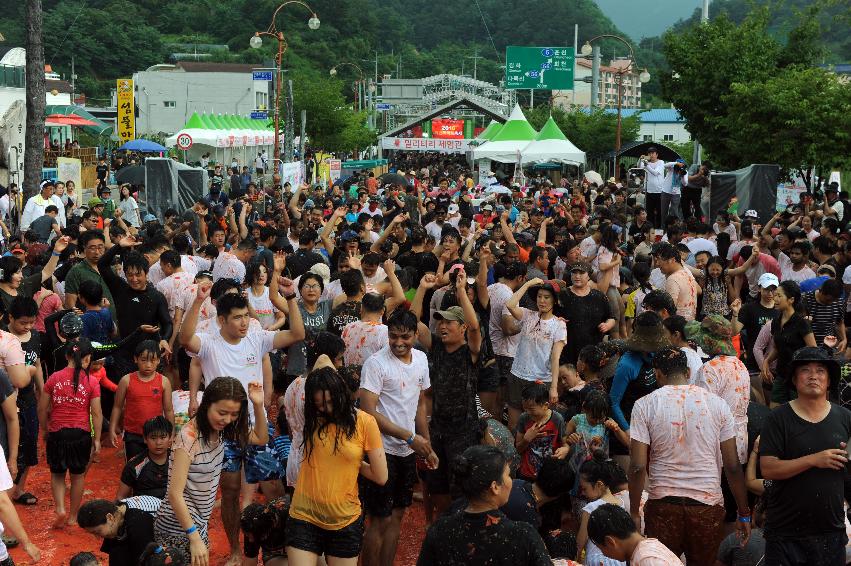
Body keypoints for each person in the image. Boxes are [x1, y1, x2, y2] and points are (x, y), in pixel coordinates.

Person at [180, 279, 303, 566]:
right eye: (237, 317)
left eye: (246, 315)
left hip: (257, 425)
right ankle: (236, 549)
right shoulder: (209, 344)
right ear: (222, 319)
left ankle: (277, 546)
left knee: (273, 488)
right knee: (232, 491)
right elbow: (185, 339)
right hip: (223, 430)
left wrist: (291, 297)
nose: (244, 322)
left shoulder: (257, 338)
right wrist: (198, 301)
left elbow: (297, 333)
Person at [628, 347, 751, 564]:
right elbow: (732, 467)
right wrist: (743, 512)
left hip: (663, 506)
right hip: (706, 509)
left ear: (657, 374)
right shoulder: (718, 405)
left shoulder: (644, 405)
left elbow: (637, 466)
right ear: (687, 371)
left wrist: (634, 511)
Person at [154, 377, 269, 564]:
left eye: (234, 414)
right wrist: (194, 536)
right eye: (222, 412)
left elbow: (261, 438)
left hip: (197, 523)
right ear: (207, 404)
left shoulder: (221, 429)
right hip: (177, 526)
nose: (227, 419)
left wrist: (258, 404)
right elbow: (175, 494)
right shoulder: (188, 438)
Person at [286, 367, 387, 566]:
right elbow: (321, 358)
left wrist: (353, 462)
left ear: (342, 393)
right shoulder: (310, 419)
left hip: (345, 521)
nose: (327, 408)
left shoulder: (365, 423)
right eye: (320, 404)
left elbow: (380, 476)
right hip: (304, 515)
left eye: (331, 401)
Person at [359, 309, 437, 566]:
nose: (398, 343)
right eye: (393, 337)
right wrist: (409, 437)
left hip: (407, 450)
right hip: (380, 450)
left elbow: (420, 405)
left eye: (405, 337)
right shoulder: (376, 364)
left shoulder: (422, 360)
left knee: (398, 516)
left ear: (416, 334)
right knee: (379, 518)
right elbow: (368, 412)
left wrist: (426, 444)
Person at [759, 347, 851, 564]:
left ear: (829, 380)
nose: (813, 376)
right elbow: (769, 469)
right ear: (794, 379)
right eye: (805, 370)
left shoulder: (845, 418)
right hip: (784, 534)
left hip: (830, 531)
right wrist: (813, 460)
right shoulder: (777, 418)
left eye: (820, 371)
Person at [410, 270, 481, 514]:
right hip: (438, 428)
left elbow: (475, 327)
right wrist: (421, 288)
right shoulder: (437, 347)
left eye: (448, 322)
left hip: (464, 429)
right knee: (437, 482)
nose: (442, 326)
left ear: (461, 327)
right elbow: (412, 323)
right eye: (440, 321)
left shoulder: (470, 351)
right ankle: (444, 523)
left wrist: (461, 292)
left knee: (460, 486)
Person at [416, 445, 551, 566]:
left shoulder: (439, 530)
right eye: (508, 475)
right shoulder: (523, 535)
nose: (512, 481)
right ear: (495, 487)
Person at [39, 337, 103, 528]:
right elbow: (97, 413)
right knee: (78, 476)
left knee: (57, 474)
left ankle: (60, 509)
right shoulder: (92, 381)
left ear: (67, 355)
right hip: (80, 434)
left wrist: (44, 430)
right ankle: (73, 517)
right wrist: (97, 439)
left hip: (57, 433)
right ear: (87, 359)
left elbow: (42, 409)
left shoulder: (54, 378)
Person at [505, 279, 567, 429]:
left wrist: (553, 387)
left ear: (554, 300)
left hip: (541, 380)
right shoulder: (528, 315)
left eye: (546, 297)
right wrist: (527, 284)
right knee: (513, 425)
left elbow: (555, 357)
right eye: (539, 296)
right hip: (518, 375)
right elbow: (510, 304)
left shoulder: (559, 325)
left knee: (538, 426)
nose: (542, 300)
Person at [108, 341, 174, 460]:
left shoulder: (164, 382)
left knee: (155, 468)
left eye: (152, 360)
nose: (148, 365)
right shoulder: (126, 380)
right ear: (135, 359)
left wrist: (171, 433)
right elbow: (117, 407)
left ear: (159, 360)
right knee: (134, 469)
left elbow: (168, 410)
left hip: (156, 435)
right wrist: (112, 429)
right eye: (143, 360)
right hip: (133, 434)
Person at [761, 280, 816, 406]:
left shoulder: (801, 323)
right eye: (775, 295)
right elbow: (777, 347)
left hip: (799, 377)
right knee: (774, 408)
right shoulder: (776, 322)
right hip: (781, 374)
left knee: (796, 412)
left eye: (779, 296)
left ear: (791, 300)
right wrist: (767, 361)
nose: (775, 298)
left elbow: (813, 350)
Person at [575, 452, 628, 566]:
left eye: (584, 488)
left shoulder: (590, 508)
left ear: (599, 484)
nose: (583, 493)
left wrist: (576, 560)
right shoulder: (621, 503)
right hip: (619, 562)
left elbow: (580, 544)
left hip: (597, 561)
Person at [587, 503, 681, 565]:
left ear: (610, 542)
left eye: (601, 549)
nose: (604, 554)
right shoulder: (643, 550)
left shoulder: (646, 559)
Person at [558, 262, 614, 365]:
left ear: (588, 275)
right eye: (574, 273)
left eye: (581, 273)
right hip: (568, 351)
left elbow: (611, 318)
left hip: (593, 352)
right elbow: (551, 317)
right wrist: (556, 321)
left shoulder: (599, 296)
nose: (577, 276)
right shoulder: (563, 295)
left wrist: (607, 325)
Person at [78, 497, 159, 566]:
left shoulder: (138, 521)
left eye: (97, 532)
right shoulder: (117, 511)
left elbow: (146, 557)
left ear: (109, 517)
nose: (97, 537)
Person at [514, 382, 567, 482]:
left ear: (545, 405)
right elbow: (518, 450)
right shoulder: (524, 419)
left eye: (531, 409)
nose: (528, 412)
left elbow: (565, 444)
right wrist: (526, 439)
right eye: (525, 408)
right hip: (527, 473)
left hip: (549, 474)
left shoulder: (557, 419)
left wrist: (565, 449)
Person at [116, 416, 172, 500]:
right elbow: (121, 497)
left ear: (170, 438)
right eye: (153, 438)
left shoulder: (179, 461)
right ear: (145, 439)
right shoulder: (134, 466)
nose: (158, 442)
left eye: (163, 437)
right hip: (142, 510)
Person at [241, 496, 290, 566]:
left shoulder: (292, 516)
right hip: (277, 555)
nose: (250, 540)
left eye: (255, 537)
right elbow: (250, 562)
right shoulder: (251, 525)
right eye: (247, 535)